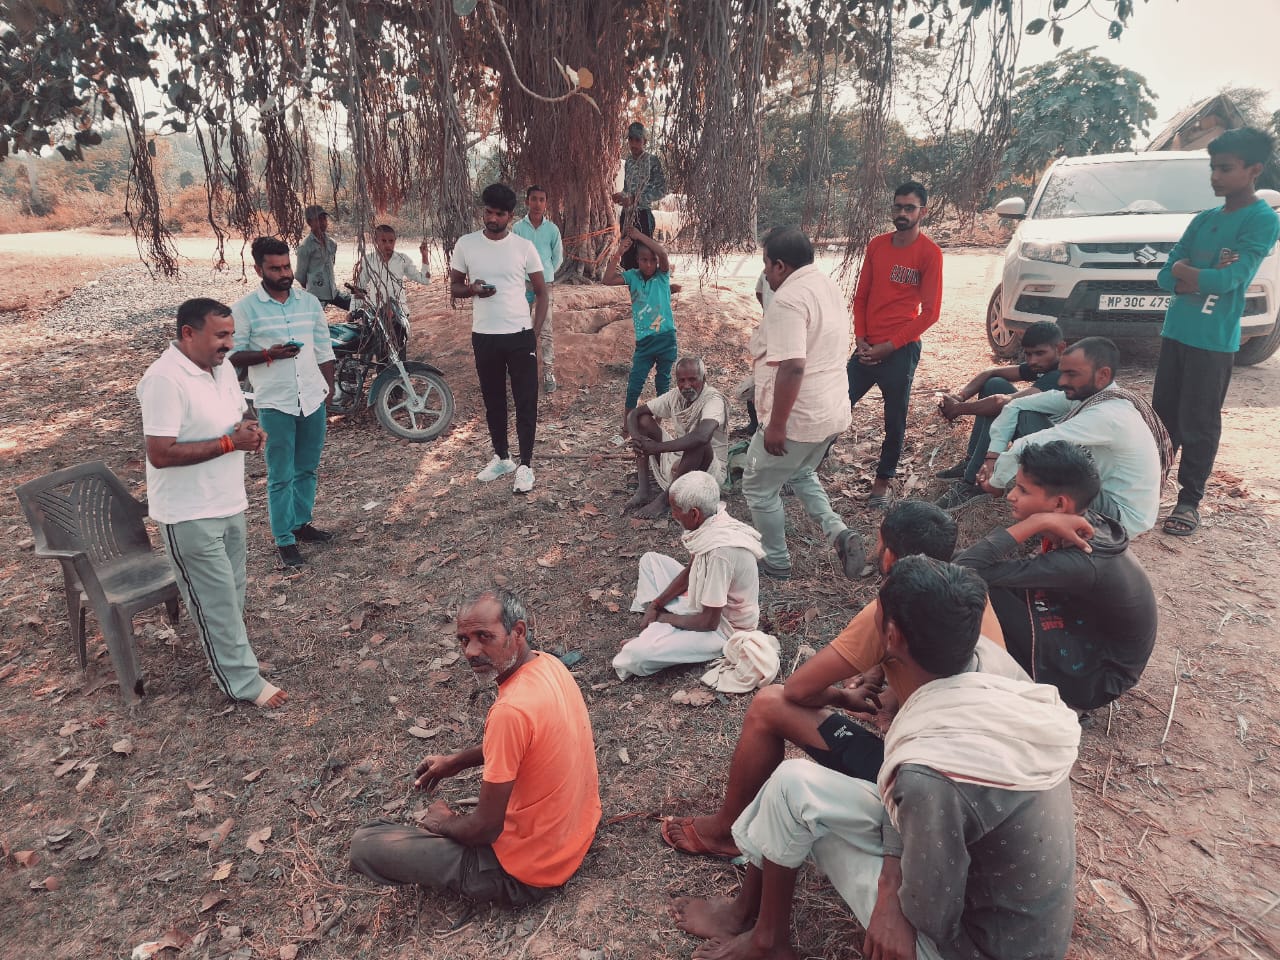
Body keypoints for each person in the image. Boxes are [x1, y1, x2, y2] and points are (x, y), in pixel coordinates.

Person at [671, 556, 1080, 960]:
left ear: (893, 636)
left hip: (973, 948)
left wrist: (891, 898)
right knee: (791, 784)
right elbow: (915, 806)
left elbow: (932, 912)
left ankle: (762, 934)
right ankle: (765, 936)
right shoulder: (989, 668)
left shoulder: (929, 771)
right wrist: (892, 865)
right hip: (1020, 921)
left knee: (800, 807)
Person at [661, 500, 1010, 859]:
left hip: (928, 795)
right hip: (995, 789)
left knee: (770, 703)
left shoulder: (886, 614)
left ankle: (726, 833)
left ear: (890, 556)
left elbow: (799, 690)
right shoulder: (970, 596)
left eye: (878, 542)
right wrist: (884, 674)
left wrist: (845, 698)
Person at [349, 589, 600, 907]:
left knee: (366, 842)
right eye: (464, 640)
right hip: (577, 832)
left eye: (484, 636)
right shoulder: (548, 665)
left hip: (526, 873)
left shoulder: (511, 710)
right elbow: (528, 739)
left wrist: (445, 822)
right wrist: (456, 761)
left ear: (518, 632)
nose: (471, 651)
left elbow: (484, 829)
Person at [137, 298, 285, 708]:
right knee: (215, 601)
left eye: (231, 334)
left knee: (231, 593)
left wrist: (250, 428)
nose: (229, 344)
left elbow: (239, 413)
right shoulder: (164, 380)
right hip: (188, 513)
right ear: (188, 333)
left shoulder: (222, 369)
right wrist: (229, 443)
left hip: (229, 502)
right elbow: (160, 453)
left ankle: (230, 656)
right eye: (221, 335)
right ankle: (242, 682)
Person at [956, 441, 1157, 711]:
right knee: (981, 576)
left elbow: (964, 569)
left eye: (1023, 490)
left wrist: (1036, 522)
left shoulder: (1080, 560)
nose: (1011, 495)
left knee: (977, 587)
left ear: (1060, 504)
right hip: (1085, 633)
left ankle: (1045, 697)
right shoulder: (1082, 521)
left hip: (1098, 677)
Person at [1153, 127, 1280, 537]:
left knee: (1199, 423)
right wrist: (1193, 275)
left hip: (1213, 340)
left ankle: (1189, 501)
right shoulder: (1204, 219)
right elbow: (1164, 275)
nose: (1216, 176)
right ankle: (1147, 489)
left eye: (1225, 168)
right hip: (1176, 331)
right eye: (1213, 168)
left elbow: (1230, 280)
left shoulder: (1262, 220)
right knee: (1162, 418)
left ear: (1254, 169)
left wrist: (1186, 272)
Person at [741, 226, 859, 581]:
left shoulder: (789, 299)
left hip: (799, 418)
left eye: (766, 264)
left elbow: (793, 366)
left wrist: (777, 426)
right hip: (831, 411)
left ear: (780, 265)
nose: (765, 273)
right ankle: (838, 532)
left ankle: (776, 562)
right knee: (801, 471)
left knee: (758, 488)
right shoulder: (827, 285)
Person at [979, 337, 1167, 539]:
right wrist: (993, 456)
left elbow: (1027, 444)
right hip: (1103, 492)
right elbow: (1016, 404)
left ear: (1102, 375)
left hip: (1121, 517)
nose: (1062, 381)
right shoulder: (1092, 396)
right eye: (1062, 373)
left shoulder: (1109, 415)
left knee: (1046, 454)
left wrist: (995, 482)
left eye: (1072, 374)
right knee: (1027, 416)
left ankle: (1048, 533)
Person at [229, 237, 336, 568]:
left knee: (307, 467)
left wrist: (328, 388)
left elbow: (323, 348)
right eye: (275, 268)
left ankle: (301, 523)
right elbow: (232, 355)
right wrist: (268, 354)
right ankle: (284, 538)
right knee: (280, 473)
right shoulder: (245, 309)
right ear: (259, 269)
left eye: (286, 266)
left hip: (312, 397)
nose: (284, 273)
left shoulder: (309, 303)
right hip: (275, 402)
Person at [613, 472, 763, 680]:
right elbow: (691, 572)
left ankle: (656, 635)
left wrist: (663, 619)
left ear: (694, 514)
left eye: (675, 509)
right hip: (703, 600)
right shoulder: (712, 521)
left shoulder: (719, 552)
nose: (673, 515)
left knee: (635, 655)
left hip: (723, 629)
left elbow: (708, 622)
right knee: (650, 560)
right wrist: (656, 604)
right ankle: (660, 631)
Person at [849, 181, 944, 508]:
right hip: (867, 347)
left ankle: (882, 482)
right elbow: (861, 297)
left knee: (895, 419)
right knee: (837, 404)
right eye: (898, 206)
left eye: (909, 208)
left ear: (922, 212)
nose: (902, 213)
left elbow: (930, 313)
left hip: (900, 350)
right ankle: (809, 466)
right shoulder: (877, 245)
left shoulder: (929, 253)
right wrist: (861, 338)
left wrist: (890, 346)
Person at [449, 183, 548, 495]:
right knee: (493, 400)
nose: (492, 219)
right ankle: (502, 458)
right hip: (484, 336)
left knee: (525, 401)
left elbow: (542, 292)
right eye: (488, 212)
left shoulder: (523, 247)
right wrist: (472, 289)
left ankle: (526, 465)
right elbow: (455, 287)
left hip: (519, 335)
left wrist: (534, 333)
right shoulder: (466, 244)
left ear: (511, 216)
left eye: (499, 214)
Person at [933, 320, 1065, 510]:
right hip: (1039, 432)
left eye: (1039, 353)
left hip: (1058, 450)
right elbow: (990, 372)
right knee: (995, 384)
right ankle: (971, 461)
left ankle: (974, 482)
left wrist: (958, 409)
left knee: (1004, 407)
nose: (1032, 361)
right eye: (1028, 354)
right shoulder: (1044, 365)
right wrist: (959, 397)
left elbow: (1004, 403)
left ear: (1060, 348)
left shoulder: (1062, 373)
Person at [624, 357, 730, 519]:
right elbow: (634, 414)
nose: (686, 385)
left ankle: (664, 500)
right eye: (681, 380)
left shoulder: (713, 400)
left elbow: (702, 437)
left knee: (698, 441)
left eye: (692, 379)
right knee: (643, 420)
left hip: (710, 471)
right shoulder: (675, 396)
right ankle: (644, 490)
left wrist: (656, 448)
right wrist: (636, 439)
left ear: (703, 378)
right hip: (681, 460)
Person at [605, 225, 679, 431]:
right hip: (644, 343)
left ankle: (658, 426)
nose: (649, 264)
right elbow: (607, 280)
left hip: (666, 339)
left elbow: (662, 253)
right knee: (634, 385)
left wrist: (639, 236)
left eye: (652, 260)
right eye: (644, 260)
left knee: (662, 384)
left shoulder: (662, 276)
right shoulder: (632, 277)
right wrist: (619, 253)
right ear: (637, 260)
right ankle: (627, 428)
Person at [512, 185, 564, 394]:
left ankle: (548, 371)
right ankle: (521, 367)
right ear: (527, 201)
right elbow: (513, 256)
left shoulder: (552, 229)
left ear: (546, 203)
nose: (537, 204)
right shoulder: (518, 228)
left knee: (546, 328)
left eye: (542, 200)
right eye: (533, 199)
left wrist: (546, 274)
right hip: (523, 284)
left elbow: (557, 258)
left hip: (545, 285)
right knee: (520, 325)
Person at [351, 224, 432, 345]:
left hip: (399, 312)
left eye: (391, 241)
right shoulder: (368, 260)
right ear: (375, 241)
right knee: (379, 348)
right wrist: (353, 311)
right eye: (383, 241)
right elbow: (359, 288)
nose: (388, 245)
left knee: (399, 347)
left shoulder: (402, 259)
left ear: (395, 241)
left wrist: (424, 256)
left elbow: (424, 280)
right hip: (376, 313)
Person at [613, 121, 667, 271]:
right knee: (627, 258)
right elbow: (627, 189)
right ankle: (630, 285)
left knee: (645, 257)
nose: (634, 144)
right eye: (631, 139)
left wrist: (636, 200)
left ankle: (646, 285)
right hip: (627, 217)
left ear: (645, 141)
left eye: (638, 140)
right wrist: (620, 196)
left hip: (643, 216)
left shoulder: (652, 161)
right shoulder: (629, 162)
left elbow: (661, 190)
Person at [294, 205, 350, 310]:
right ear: (309, 222)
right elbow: (300, 276)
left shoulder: (331, 243)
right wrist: (315, 286)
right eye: (318, 219)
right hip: (316, 294)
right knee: (317, 317)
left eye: (324, 219)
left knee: (354, 305)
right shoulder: (305, 247)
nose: (323, 222)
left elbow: (331, 264)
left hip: (333, 291)